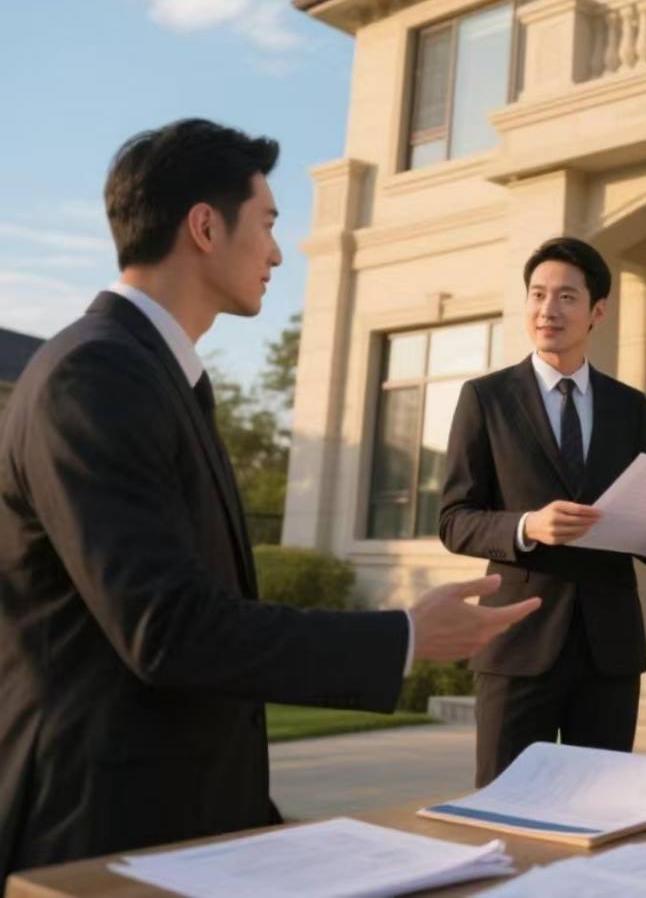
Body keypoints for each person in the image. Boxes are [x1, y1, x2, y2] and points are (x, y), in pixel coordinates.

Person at [0, 120, 540, 882]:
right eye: (269, 224)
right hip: (99, 829)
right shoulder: (94, 376)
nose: (279, 253)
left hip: (186, 822)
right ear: (204, 226)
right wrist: (405, 637)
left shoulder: (162, 376)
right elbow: (169, 628)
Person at [440, 236, 646, 785]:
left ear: (598, 311)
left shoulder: (628, 406)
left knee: (602, 810)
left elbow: (645, 517)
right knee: (506, 809)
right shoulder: (485, 398)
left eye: (566, 297)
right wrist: (526, 526)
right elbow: (454, 518)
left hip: (608, 651)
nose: (547, 309)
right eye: (537, 294)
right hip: (518, 645)